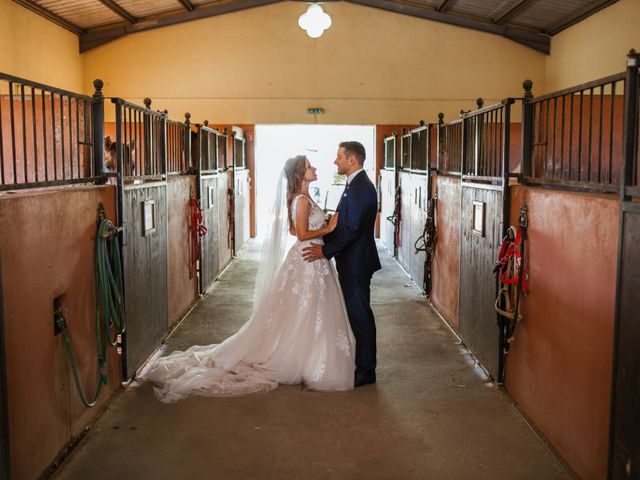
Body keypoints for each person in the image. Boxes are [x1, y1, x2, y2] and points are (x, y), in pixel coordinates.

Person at [140, 156, 355, 403]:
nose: (314, 167)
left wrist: (324, 225)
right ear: (300, 173)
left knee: (304, 311)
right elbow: (302, 234)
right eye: (309, 166)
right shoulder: (302, 199)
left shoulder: (302, 197)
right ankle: (304, 357)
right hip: (308, 258)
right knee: (306, 310)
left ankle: (308, 355)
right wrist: (327, 229)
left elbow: (295, 229)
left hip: (312, 258)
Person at [302, 141, 381, 388]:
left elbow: (352, 229)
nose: (335, 161)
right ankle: (363, 366)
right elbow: (343, 223)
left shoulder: (360, 188)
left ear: (352, 160)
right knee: (358, 314)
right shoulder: (355, 185)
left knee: (360, 316)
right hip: (353, 260)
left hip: (356, 263)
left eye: (339, 157)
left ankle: (366, 371)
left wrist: (325, 250)